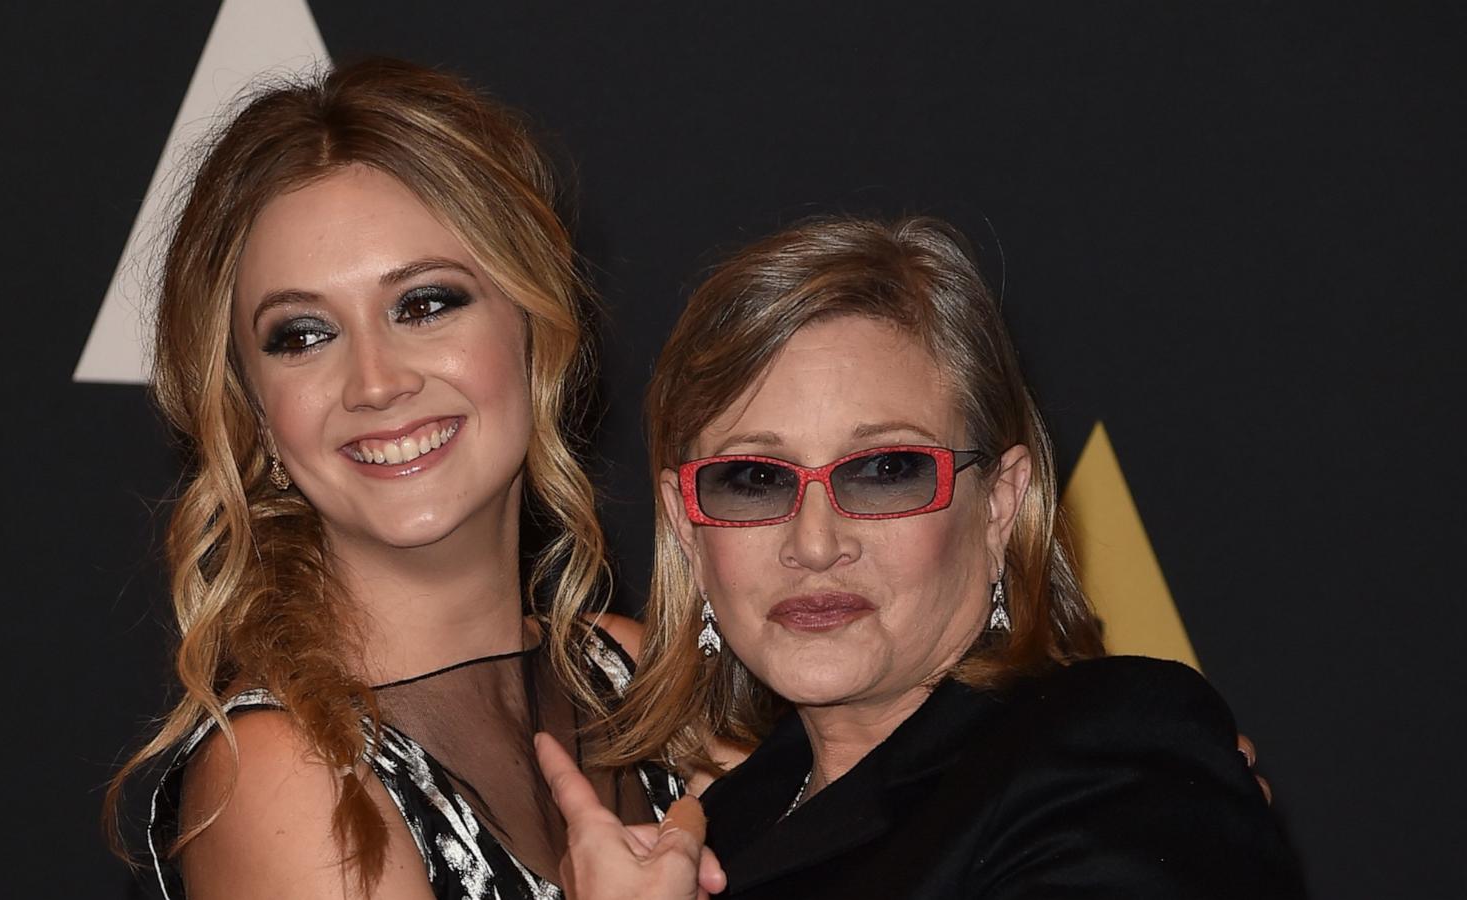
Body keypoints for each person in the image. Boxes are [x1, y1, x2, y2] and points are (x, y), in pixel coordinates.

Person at [541, 216, 1304, 898]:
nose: (814, 544)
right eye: (754, 480)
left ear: (1000, 504)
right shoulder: (720, 830)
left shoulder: (1107, 756)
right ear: (687, 528)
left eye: (884, 472)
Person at [103, 59, 682, 899]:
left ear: (534, 328)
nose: (375, 383)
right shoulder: (287, 778)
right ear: (253, 412)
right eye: (302, 335)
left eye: (425, 303)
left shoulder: (637, 677)